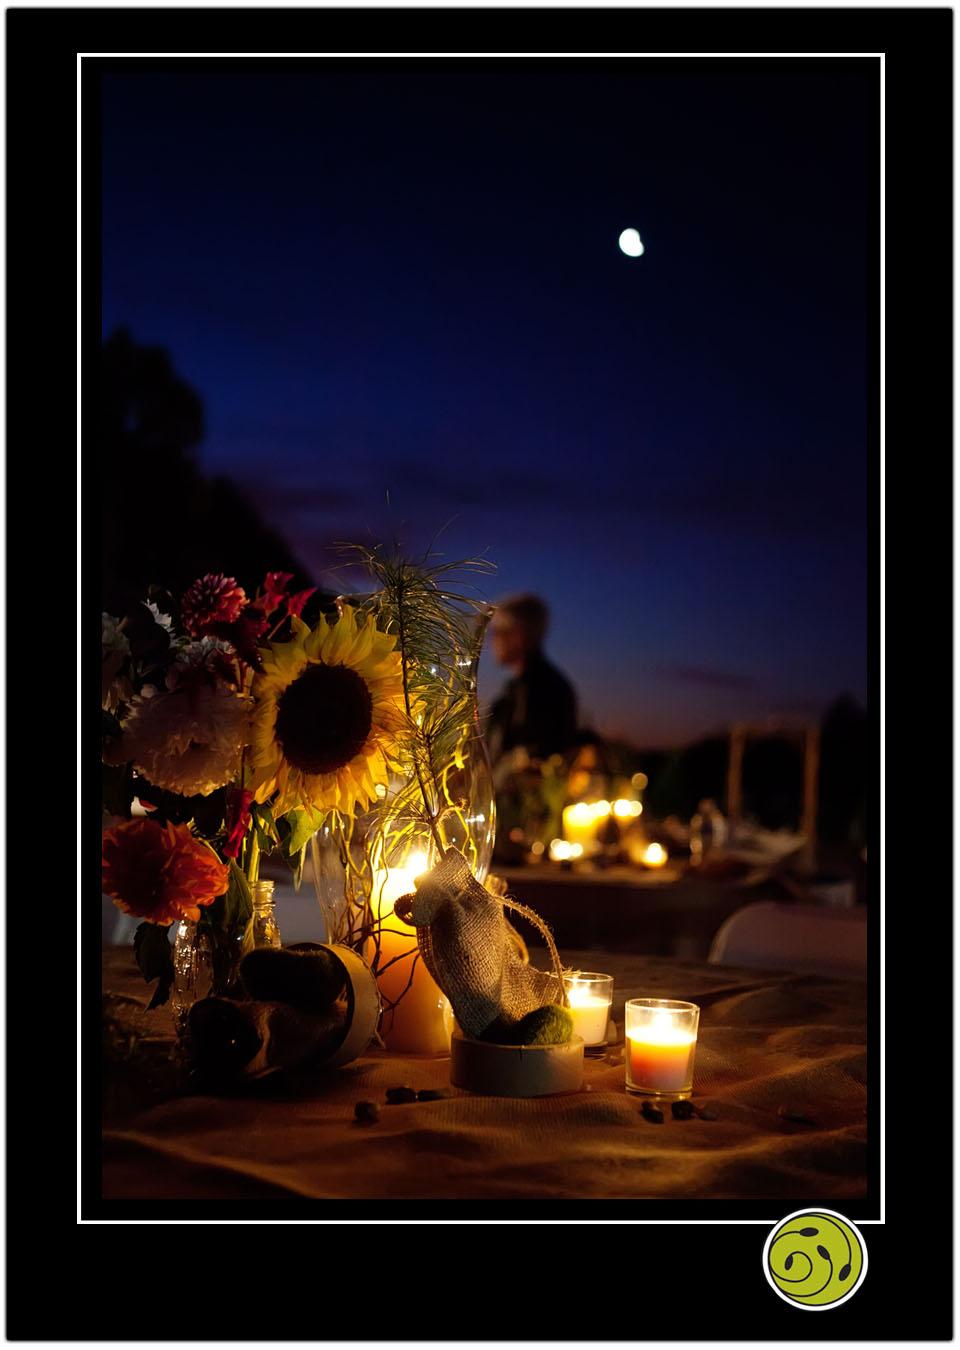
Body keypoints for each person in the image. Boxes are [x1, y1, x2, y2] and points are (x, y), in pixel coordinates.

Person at [485, 595, 578, 769]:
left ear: (518, 635)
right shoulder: (520, 689)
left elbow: (529, 760)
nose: (491, 641)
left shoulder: (542, 689)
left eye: (497, 632)